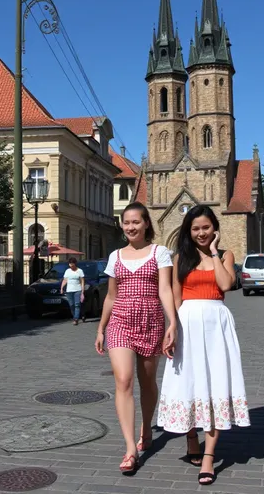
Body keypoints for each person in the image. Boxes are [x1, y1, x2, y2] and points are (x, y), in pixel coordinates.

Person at [157, 205, 250, 487]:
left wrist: (214, 252)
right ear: (188, 230)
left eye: (206, 228)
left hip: (216, 324)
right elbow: (175, 294)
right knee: (188, 380)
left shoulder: (224, 255)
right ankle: (190, 437)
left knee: (215, 383)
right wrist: (171, 326)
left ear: (214, 228)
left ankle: (209, 456)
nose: (201, 233)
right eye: (195, 228)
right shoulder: (179, 257)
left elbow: (225, 285)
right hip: (186, 322)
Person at [95, 201, 176, 475]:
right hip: (120, 322)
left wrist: (172, 323)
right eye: (126, 222)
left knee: (148, 382)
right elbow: (111, 296)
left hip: (151, 321)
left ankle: (146, 427)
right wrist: (101, 328)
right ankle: (131, 447)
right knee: (124, 380)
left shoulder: (160, 252)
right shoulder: (115, 256)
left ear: (146, 224)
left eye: (136, 222)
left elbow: (165, 290)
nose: (131, 227)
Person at [60, 257, 85, 326]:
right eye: (70, 264)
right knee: (71, 305)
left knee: (77, 304)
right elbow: (65, 280)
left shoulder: (80, 271)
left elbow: (82, 281)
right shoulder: (67, 271)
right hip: (69, 290)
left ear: (75, 264)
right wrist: (62, 288)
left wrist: (82, 291)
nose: (71, 266)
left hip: (77, 290)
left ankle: (76, 319)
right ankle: (75, 316)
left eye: (72, 264)